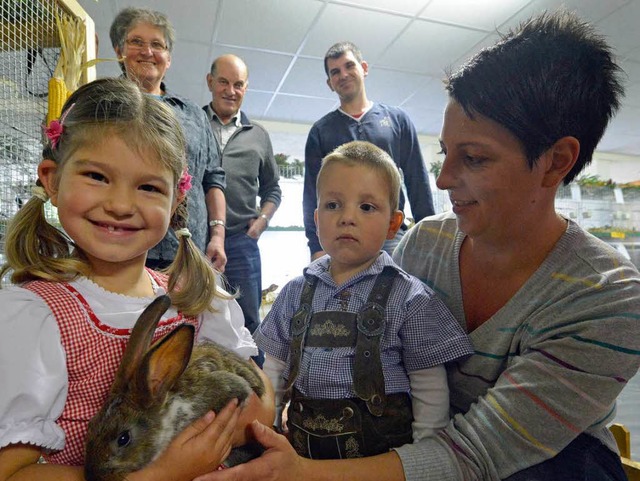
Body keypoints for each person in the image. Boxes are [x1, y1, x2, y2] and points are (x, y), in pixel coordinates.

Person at [192, 11, 640, 481]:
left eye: (474, 158)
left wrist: (299, 472)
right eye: (446, 153)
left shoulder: (609, 295)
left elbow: (478, 454)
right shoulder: (426, 244)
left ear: (556, 162)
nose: (444, 179)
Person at [0, 77, 274, 481]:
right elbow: (11, 472)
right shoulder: (35, 316)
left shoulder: (195, 300)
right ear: (52, 179)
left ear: (176, 199)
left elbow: (261, 403)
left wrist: (219, 432)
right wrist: (161, 473)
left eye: (148, 186)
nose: (120, 205)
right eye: (96, 176)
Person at [255, 140, 473, 459]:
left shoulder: (410, 298)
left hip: (379, 462)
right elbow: (273, 369)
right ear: (316, 220)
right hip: (302, 457)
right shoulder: (293, 293)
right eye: (333, 205)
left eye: (366, 207)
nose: (347, 218)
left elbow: (429, 384)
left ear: (392, 225)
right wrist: (269, 428)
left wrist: (426, 452)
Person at [110, 7, 227, 271]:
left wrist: (218, 236)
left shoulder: (194, 114)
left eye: (157, 45)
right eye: (136, 42)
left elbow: (213, 179)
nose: (147, 52)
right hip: (120, 249)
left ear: (168, 58)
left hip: (187, 251)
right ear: (119, 51)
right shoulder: (102, 105)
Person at [303, 41, 434, 261]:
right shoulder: (320, 131)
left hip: (390, 237)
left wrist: (430, 237)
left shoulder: (397, 120)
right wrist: (316, 246)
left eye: (349, 66)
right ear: (329, 83)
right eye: (335, 72)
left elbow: (417, 179)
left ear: (364, 68)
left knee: (397, 292)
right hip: (340, 235)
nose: (343, 75)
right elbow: (311, 193)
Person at [203, 54, 282, 364]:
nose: (230, 90)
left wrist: (261, 222)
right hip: (195, 237)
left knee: (250, 321)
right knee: (200, 318)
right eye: (223, 82)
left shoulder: (258, 136)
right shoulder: (193, 124)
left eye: (238, 84)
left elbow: (273, 188)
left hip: (240, 241)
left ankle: (257, 397)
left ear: (246, 89)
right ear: (210, 82)